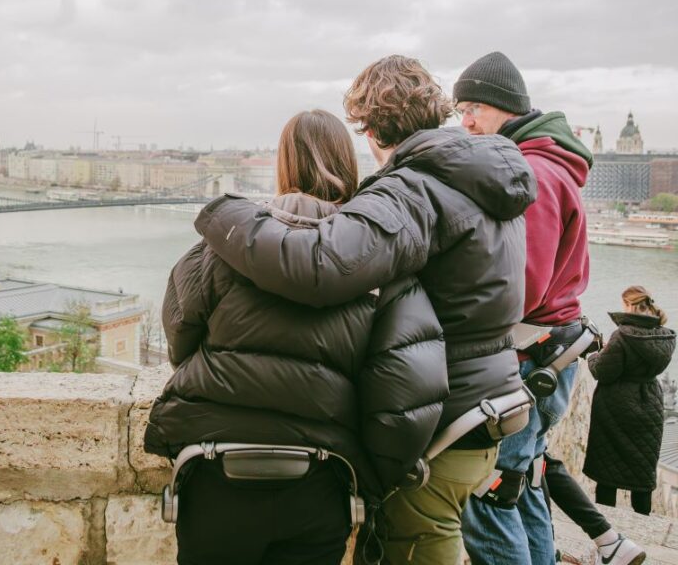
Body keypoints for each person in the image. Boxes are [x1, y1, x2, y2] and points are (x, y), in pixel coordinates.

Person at [192, 56, 537, 564]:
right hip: (491, 400)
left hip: (444, 415)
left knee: (413, 547)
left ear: (371, 128)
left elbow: (320, 265)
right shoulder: (479, 175)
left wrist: (227, 215)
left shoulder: (412, 188)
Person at [144, 109, 449, 565]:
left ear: (282, 165)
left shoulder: (221, 246)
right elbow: (403, 380)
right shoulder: (381, 261)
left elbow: (179, 337)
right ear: (348, 165)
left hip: (214, 468)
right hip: (321, 478)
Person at [453, 51, 643, 565]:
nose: (465, 121)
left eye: (473, 107)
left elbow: (522, 289)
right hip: (555, 353)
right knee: (524, 481)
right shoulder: (552, 164)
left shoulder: (530, 171)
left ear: (504, 107)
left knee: (491, 494)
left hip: (529, 357)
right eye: (459, 110)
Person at [583, 286, 675, 519]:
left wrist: (594, 356)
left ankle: (606, 529)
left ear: (629, 305)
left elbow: (603, 372)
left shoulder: (623, 335)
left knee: (607, 471)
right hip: (650, 403)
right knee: (642, 471)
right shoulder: (665, 336)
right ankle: (643, 523)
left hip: (616, 406)